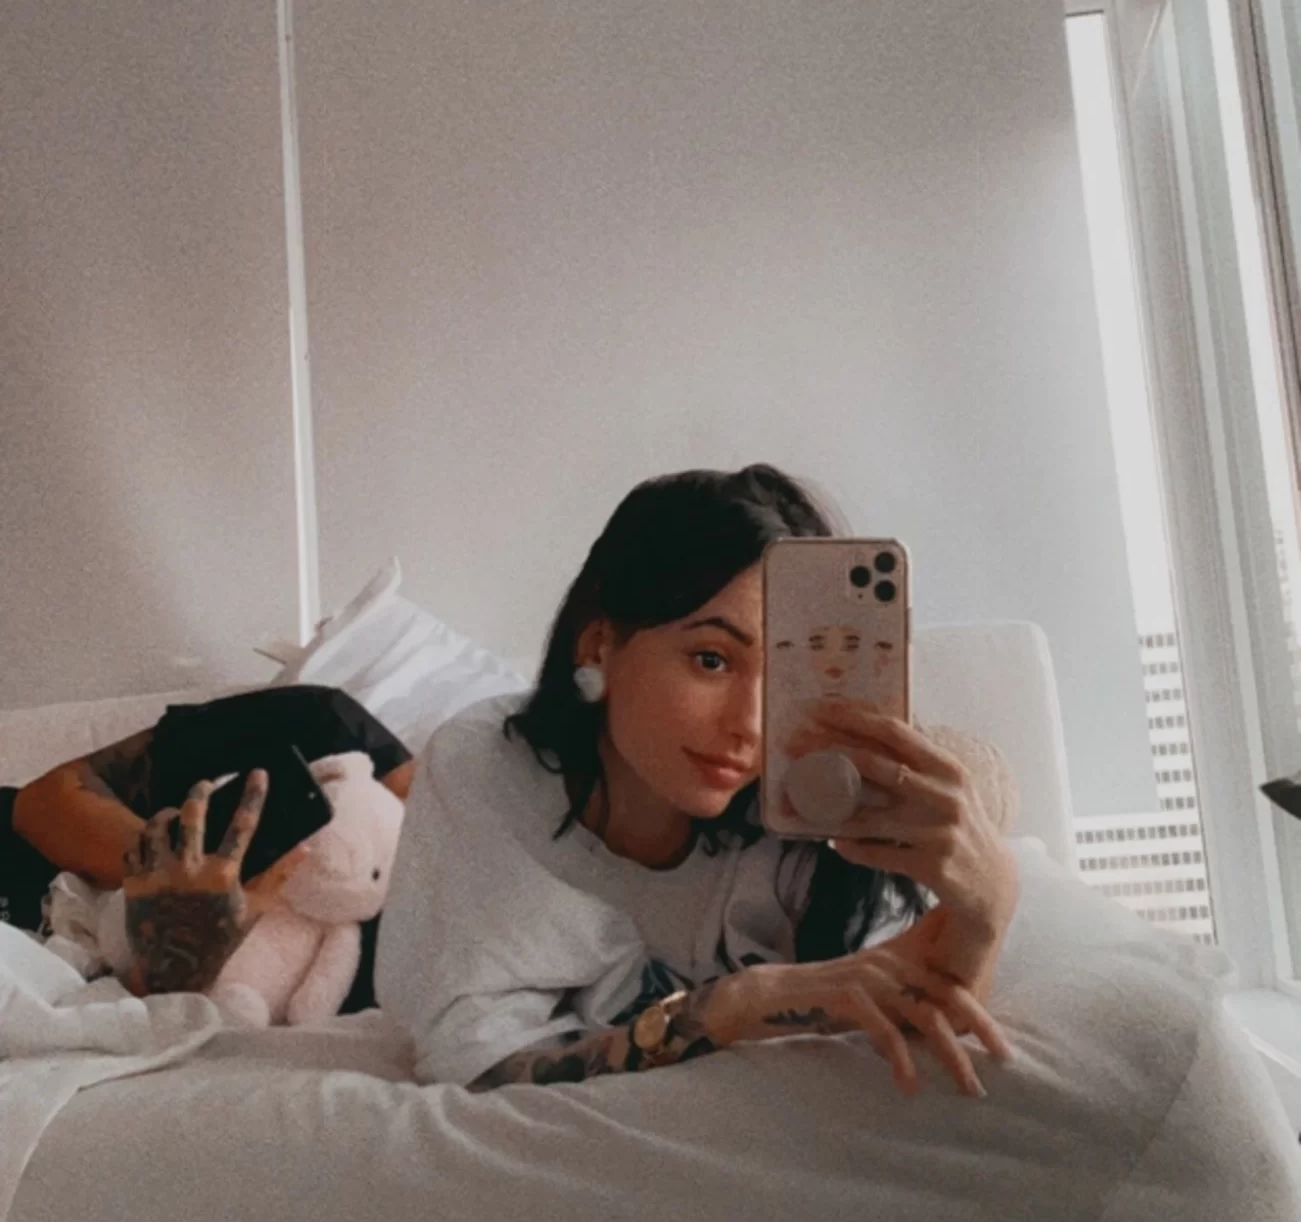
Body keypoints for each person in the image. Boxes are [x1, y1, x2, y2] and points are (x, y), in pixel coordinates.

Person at [376, 466, 1019, 1094]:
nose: (750, 726)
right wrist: (726, 1007)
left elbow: (919, 1010)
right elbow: (483, 1070)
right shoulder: (487, 771)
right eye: (712, 660)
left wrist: (988, 907)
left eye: (785, 678)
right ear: (599, 644)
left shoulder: (805, 815)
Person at [1, 684, 414, 1006]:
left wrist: (181, 958)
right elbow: (44, 802)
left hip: (69, 994)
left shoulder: (428, 974)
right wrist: (178, 873)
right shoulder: (329, 731)